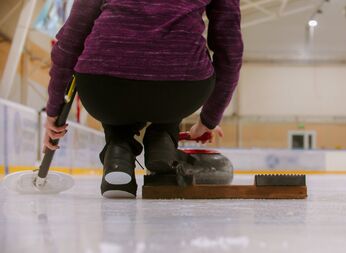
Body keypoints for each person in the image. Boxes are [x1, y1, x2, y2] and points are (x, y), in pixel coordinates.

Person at [43, 0, 243, 198]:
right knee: (168, 82)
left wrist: (54, 109)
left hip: (101, 88)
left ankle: (118, 152)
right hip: (181, 89)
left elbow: (71, 40)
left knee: (119, 101)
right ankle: (162, 145)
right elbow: (230, 51)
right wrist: (209, 118)